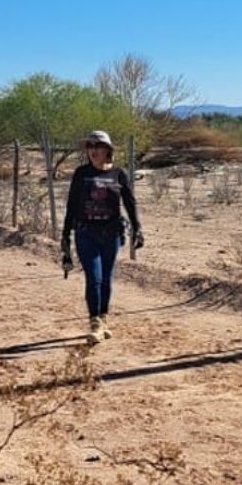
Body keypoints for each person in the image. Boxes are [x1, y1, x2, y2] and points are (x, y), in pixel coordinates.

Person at [61, 130, 143, 344]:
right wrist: (65, 236)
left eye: (98, 146)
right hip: (86, 233)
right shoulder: (81, 174)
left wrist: (137, 228)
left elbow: (130, 202)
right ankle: (95, 322)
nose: (93, 151)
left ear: (108, 150)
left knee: (107, 279)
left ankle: (104, 318)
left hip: (111, 234)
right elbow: (71, 205)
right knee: (94, 278)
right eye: (90, 147)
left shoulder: (119, 174)